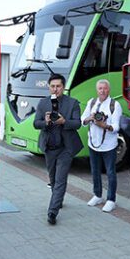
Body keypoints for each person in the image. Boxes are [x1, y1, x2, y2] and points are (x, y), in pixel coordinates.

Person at [33, 74, 83, 225]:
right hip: (49, 147)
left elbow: (77, 124)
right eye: (53, 86)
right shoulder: (43, 103)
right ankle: (58, 199)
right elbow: (36, 123)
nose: (55, 89)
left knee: (61, 179)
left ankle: (52, 212)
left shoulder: (72, 103)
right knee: (53, 178)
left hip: (66, 148)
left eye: (58, 86)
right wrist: (46, 122)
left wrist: (64, 121)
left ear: (63, 87)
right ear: (49, 87)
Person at [81, 79, 122, 213]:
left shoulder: (115, 105)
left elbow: (116, 127)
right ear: (97, 90)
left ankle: (111, 200)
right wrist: (90, 118)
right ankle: (97, 195)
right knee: (95, 170)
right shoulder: (92, 102)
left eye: (105, 88)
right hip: (93, 144)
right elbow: (83, 120)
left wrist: (105, 126)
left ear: (108, 90)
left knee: (110, 172)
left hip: (109, 145)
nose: (102, 91)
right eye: (100, 88)